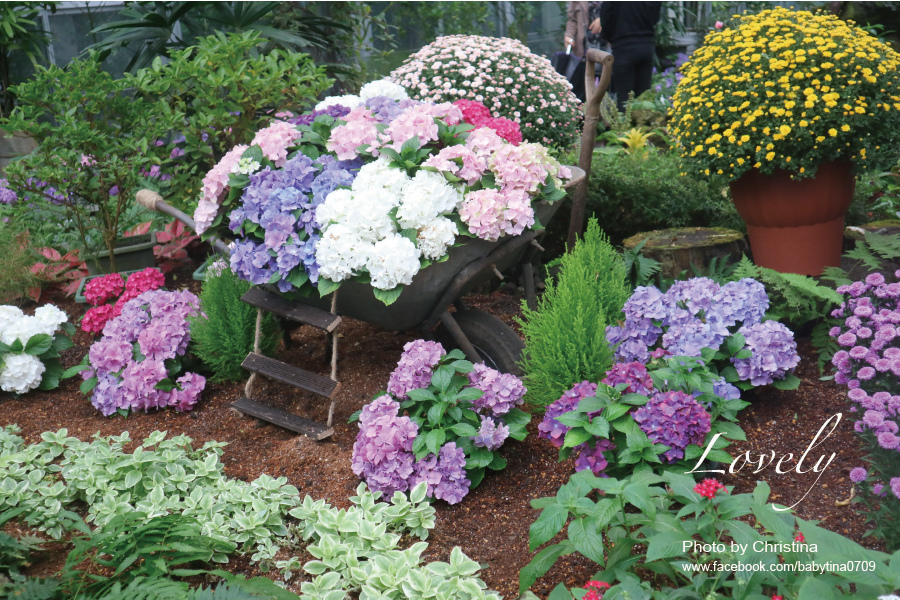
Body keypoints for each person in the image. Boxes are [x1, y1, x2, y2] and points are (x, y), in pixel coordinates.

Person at [599, 1, 661, 111]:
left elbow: (605, 17)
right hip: (646, 44)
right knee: (644, 99)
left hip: (623, 45)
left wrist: (610, 37)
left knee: (624, 100)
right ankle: (643, 126)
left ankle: (624, 126)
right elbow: (656, 14)